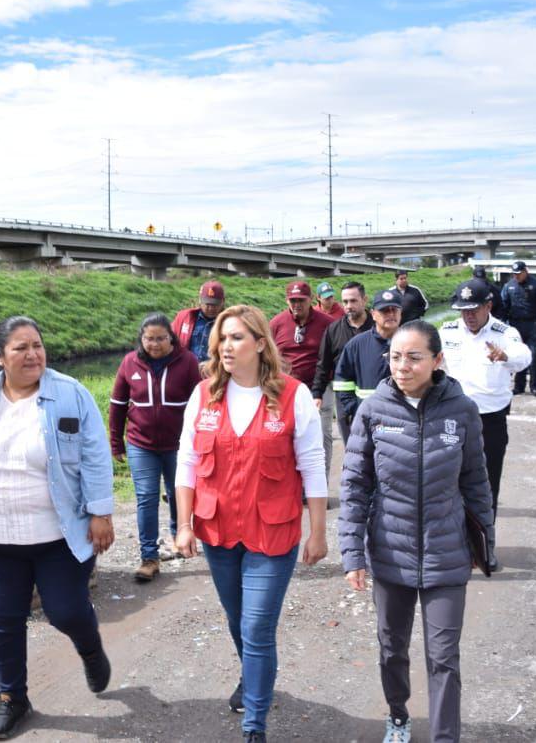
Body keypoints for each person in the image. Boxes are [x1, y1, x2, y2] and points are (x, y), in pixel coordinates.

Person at [0, 316, 115, 739]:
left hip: (59, 535)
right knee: (5, 617)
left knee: (66, 611)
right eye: (20, 348)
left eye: (37, 345)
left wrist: (101, 513)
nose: (33, 355)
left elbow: (96, 455)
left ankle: (90, 648)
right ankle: (12, 699)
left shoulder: (70, 394)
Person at [175, 304, 328, 743]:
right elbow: (186, 461)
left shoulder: (294, 394)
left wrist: (317, 532)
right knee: (237, 619)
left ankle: (254, 725)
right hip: (218, 532)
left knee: (257, 627)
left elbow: (313, 466)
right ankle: (253, 675)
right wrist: (184, 524)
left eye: (237, 337)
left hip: (272, 532)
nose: (226, 346)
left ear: (260, 344)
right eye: (222, 338)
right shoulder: (203, 395)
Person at [339, 320, 495, 743]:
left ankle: (445, 737)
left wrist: (487, 546)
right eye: (394, 357)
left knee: (444, 657)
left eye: (413, 357)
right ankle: (398, 715)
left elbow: (476, 481)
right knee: (393, 650)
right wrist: (352, 554)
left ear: (437, 360)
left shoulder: (461, 410)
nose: (402, 366)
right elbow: (355, 486)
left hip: (447, 554)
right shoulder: (373, 411)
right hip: (391, 553)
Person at [439, 279, 531, 570]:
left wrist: (505, 356)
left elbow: (524, 356)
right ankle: (455, 548)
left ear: (488, 306)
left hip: (489, 421)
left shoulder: (504, 333)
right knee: (450, 486)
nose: (468, 315)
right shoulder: (447, 331)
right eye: (463, 310)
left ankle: (485, 548)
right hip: (452, 418)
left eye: (474, 309)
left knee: (486, 488)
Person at [109, 313, 203, 582]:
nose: (154, 344)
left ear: (171, 338)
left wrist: (202, 441)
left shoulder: (187, 362)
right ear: (141, 338)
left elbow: (200, 403)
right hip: (141, 444)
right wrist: (116, 441)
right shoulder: (130, 363)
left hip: (179, 444)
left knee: (178, 493)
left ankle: (178, 536)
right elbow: (117, 405)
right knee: (147, 498)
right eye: (149, 338)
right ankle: (149, 557)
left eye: (161, 338)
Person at [270, 280, 335, 461]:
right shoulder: (277, 323)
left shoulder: (328, 323)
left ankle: (322, 481)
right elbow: (267, 355)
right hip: (285, 389)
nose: (297, 305)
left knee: (321, 434)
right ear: (287, 301)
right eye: (293, 301)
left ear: (312, 299)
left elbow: (337, 355)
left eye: (301, 300)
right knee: (287, 433)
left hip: (320, 388)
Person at [312, 281, 373, 457]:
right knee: (352, 446)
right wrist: (317, 394)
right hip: (345, 399)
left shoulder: (377, 328)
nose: (348, 306)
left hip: (374, 396)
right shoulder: (333, 330)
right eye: (345, 302)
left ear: (364, 300)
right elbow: (323, 364)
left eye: (353, 301)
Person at [333, 288, 403, 436]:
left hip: (404, 420)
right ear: (373, 314)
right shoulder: (356, 344)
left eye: (394, 310)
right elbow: (342, 382)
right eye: (385, 311)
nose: (390, 314)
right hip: (369, 421)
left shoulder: (412, 341)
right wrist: (355, 409)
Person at [501, 260, 536, 396]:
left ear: (525, 271)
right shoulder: (508, 286)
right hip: (514, 326)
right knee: (517, 355)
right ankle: (519, 386)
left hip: (532, 325)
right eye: (514, 274)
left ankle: (534, 386)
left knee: (534, 355)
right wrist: (501, 325)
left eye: (519, 273)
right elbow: (503, 307)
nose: (516, 276)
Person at [173, 280, 226, 365]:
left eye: (215, 305)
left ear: (223, 301)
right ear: (200, 301)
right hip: (186, 369)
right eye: (207, 304)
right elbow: (170, 341)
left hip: (214, 371)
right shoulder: (184, 317)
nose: (211, 308)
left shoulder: (228, 322)